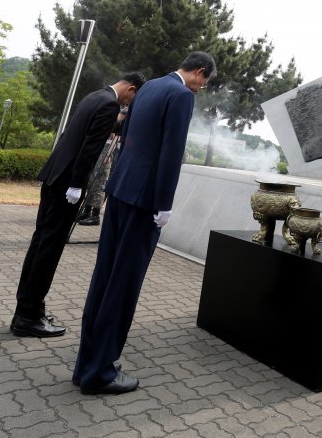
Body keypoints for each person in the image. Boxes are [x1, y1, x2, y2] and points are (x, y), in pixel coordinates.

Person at [73, 51, 215, 395]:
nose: (201, 88)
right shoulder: (181, 96)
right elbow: (171, 152)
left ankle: (87, 364)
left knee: (105, 276)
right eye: (204, 81)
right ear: (198, 72)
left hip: (121, 190)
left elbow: (125, 139)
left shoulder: (149, 86)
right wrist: (164, 204)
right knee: (123, 285)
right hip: (145, 201)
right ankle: (100, 373)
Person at [12, 73, 145, 338]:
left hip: (53, 177)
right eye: (133, 100)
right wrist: (76, 184)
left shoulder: (96, 96)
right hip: (66, 186)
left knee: (40, 243)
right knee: (48, 251)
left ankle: (29, 309)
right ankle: (28, 317)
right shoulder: (109, 105)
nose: (130, 106)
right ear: (130, 89)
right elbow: (90, 148)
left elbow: (76, 134)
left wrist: (121, 120)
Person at [76, 108, 127, 226]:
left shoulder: (126, 112)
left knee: (100, 181)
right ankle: (87, 210)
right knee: (92, 180)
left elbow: (115, 129)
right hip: (104, 147)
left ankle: (95, 214)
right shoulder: (120, 109)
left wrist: (119, 116)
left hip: (112, 150)